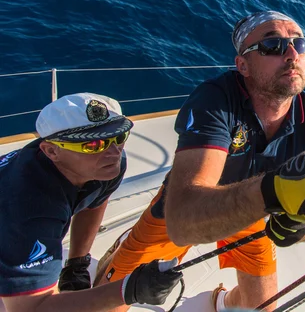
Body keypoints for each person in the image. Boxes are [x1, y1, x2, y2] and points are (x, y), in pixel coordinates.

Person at [94, 11, 305, 311]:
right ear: (243, 65)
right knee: (109, 300)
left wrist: (302, 224)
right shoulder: (216, 99)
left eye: (299, 44)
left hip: (253, 214)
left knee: (263, 307)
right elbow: (183, 221)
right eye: (273, 46)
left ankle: (223, 302)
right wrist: (274, 193)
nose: (292, 53)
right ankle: (120, 252)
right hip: (184, 206)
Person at [0, 93, 182, 312]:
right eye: (94, 144)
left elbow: (94, 202)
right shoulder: (31, 212)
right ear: (51, 151)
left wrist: (76, 264)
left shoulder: (104, 167)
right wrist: (128, 290)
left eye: (120, 136)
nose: (114, 152)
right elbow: (29, 309)